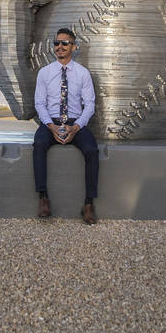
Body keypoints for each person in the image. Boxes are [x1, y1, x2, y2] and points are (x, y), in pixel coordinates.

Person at [32, 27, 98, 224]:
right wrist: (51, 126)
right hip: (50, 121)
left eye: (64, 43)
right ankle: (43, 198)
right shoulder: (44, 73)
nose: (59, 47)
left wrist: (76, 127)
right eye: (56, 43)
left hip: (75, 122)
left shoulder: (83, 74)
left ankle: (88, 204)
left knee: (92, 150)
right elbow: (39, 104)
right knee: (38, 145)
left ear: (73, 46)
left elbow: (90, 104)